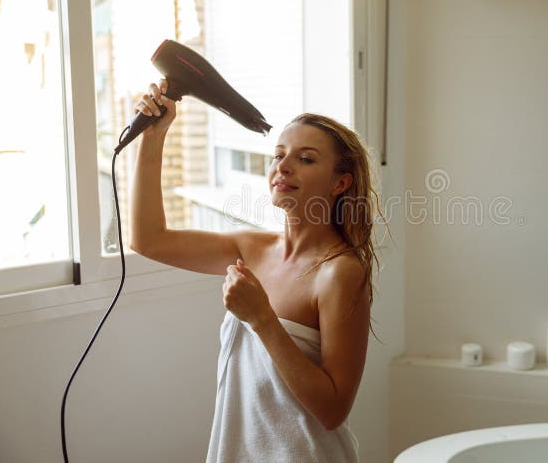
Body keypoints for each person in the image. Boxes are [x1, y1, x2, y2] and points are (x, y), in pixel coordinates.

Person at [129, 78, 386, 462]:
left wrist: (263, 318)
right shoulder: (250, 249)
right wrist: (155, 135)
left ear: (340, 182)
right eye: (278, 155)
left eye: (306, 158)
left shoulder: (340, 273)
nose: (283, 166)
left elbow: (333, 411)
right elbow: (148, 239)